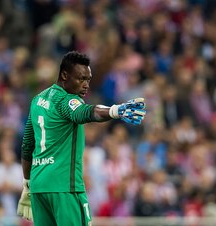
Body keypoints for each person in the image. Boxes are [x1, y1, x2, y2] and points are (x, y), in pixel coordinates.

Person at [17, 51, 146, 225]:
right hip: (65, 187)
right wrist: (115, 111)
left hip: (39, 187)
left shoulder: (37, 100)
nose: (86, 85)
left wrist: (27, 183)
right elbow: (85, 112)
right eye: (81, 79)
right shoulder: (66, 100)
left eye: (88, 79)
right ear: (64, 75)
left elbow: (27, 146)